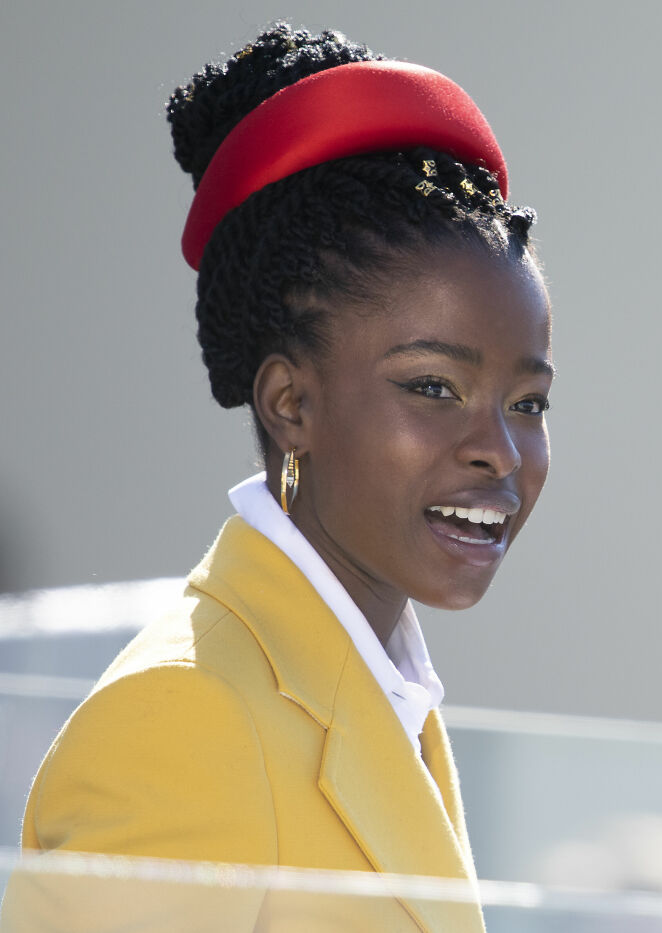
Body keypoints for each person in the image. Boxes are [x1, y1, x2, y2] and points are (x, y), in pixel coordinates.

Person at [1, 22, 553, 933]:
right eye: (433, 387)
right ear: (291, 403)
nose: (498, 446)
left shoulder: (377, 689)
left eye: (528, 402)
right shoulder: (184, 715)